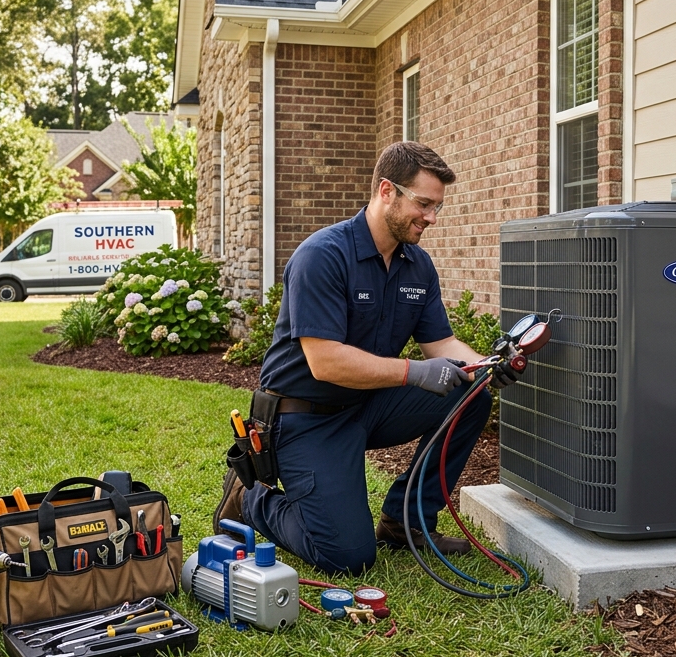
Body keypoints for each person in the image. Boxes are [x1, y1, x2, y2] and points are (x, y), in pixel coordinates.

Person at [213, 142, 522, 574]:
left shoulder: (417, 265)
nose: (432, 217)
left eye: (437, 207)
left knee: (470, 397)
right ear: (386, 191)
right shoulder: (323, 256)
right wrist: (414, 372)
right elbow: (326, 362)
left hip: (366, 405)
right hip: (303, 418)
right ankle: (250, 499)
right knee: (347, 557)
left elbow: (441, 344)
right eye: (424, 204)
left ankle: (405, 523)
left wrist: (487, 367)